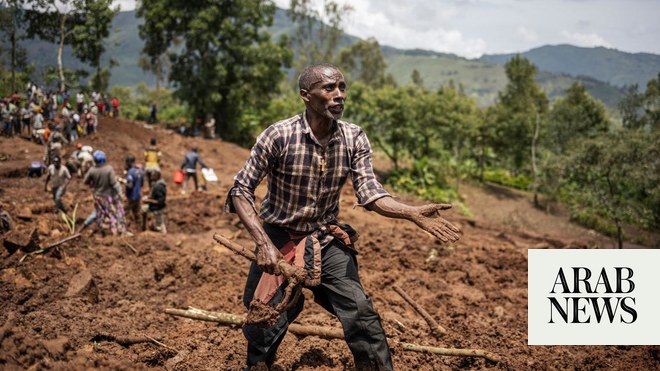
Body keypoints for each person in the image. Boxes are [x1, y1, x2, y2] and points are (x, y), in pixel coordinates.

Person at [225, 64, 461, 370]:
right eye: (329, 88)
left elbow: (370, 192)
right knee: (265, 319)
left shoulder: (354, 138)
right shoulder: (279, 135)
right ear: (306, 96)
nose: (339, 95)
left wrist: (411, 212)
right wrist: (263, 243)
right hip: (279, 236)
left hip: (325, 238)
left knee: (361, 312)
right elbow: (240, 189)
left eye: (342, 87)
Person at [81, 150, 126, 235]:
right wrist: (120, 193)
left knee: (100, 213)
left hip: (98, 196)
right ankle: (117, 232)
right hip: (108, 197)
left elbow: (85, 181)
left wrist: (93, 183)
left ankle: (102, 231)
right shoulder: (108, 169)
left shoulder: (92, 170)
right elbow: (114, 184)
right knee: (114, 213)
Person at [141, 169, 167, 234]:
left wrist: (148, 201)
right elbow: (155, 196)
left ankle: (164, 235)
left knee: (160, 225)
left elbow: (159, 201)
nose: (151, 177)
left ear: (156, 176)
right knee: (143, 210)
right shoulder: (157, 184)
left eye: (152, 175)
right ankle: (144, 228)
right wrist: (148, 197)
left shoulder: (159, 186)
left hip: (157, 208)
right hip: (155, 206)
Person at [124, 155, 144, 229]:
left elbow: (130, 185)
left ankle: (124, 228)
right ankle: (140, 229)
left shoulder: (130, 172)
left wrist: (124, 182)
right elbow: (141, 184)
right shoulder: (141, 171)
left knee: (124, 212)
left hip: (131, 196)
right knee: (137, 213)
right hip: (138, 195)